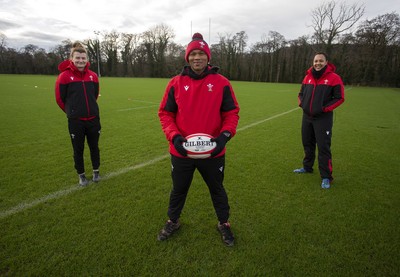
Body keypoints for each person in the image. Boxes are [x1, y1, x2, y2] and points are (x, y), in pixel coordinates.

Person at [157, 33, 240, 246]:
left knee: (217, 189)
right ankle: (172, 221)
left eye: (201, 54)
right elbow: (165, 114)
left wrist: (223, 137)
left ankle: (224, 223)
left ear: (208, 57)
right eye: (193, 54)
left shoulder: (221, 83)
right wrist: (174, 138)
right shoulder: (176, 83)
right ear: (187, 57)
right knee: (179, 189)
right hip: (182, 151)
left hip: (213, 152)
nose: (197, 58)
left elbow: (231, 113)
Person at [294, 52, 345, 189]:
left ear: (326, 62)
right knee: (307, 143)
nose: (318, 63)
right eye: (316, 61)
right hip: (307, 117)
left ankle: (326, 177)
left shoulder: (334, 78)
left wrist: (324, 109)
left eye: (321, 61)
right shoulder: (307, 77)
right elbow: (301, 94)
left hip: (323, 118)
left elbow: (339, 98)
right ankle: (307, 167)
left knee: (323, 147)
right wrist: (302, 104)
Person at [55, 42, 101, 186]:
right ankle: (81, 175)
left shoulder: (93, 76)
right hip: (76, 121)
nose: (81, 61)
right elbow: (60, 99)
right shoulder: (64, 77)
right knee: (78, 149)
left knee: (94, 147)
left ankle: (96, 172)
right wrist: (72, 112)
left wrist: (90, 109)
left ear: (87, 59)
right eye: (78, 58)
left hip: (93, 119)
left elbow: (95, 95)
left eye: (83, 58)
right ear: (71, 58)